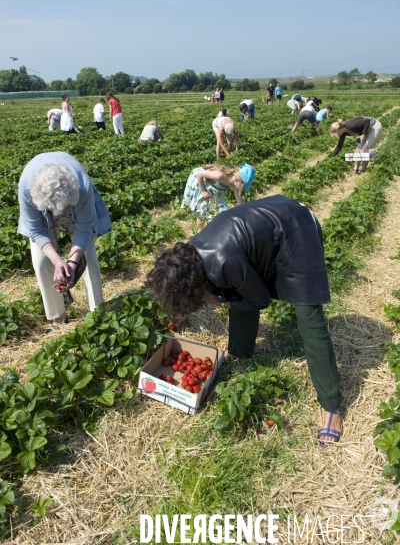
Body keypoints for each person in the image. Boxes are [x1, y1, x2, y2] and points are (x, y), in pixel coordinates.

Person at [147, 195, 342, 446]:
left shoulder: (224, 261)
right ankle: (240, 351)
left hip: (297, 229)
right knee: (237, 288)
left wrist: (221, 302)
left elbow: (260, 300)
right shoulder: (190, 256)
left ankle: (331, 406)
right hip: (272, 222)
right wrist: (185, 308)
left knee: (309, 320)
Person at [18, 152, 112, 328]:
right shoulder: (27, 189)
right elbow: (37, 230)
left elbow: (84, 230)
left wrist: (72, 262)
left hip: (75, 200)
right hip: (41, 201)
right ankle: (58, 318)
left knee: (89, 257)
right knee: (41, 262)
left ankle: (97, 315)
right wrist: (57, 260)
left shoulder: (81, 186)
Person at [181, 163, 256, 228]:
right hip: (201, 183)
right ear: (237, 180)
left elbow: (239, 200)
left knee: (222, 212)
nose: (242, 188)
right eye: (243, 185)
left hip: (215, 189)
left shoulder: (234, 184)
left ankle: (212, 229)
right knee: (201, 211)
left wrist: (245, 213)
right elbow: (199, 174)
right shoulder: (219, 176)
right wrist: (203, 191)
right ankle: (199, 233)